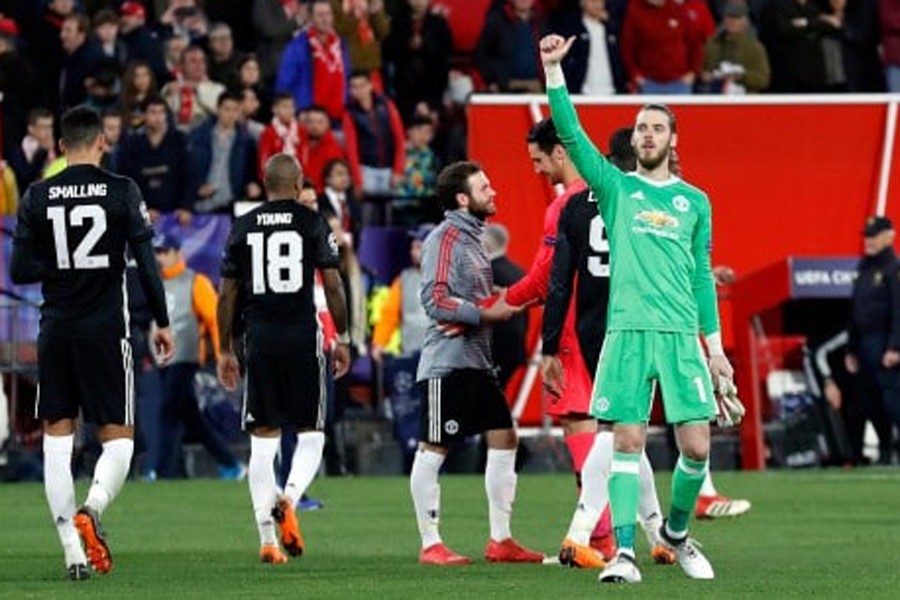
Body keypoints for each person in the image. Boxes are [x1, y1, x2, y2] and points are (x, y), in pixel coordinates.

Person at [540, 34, 735, 583]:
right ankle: (624, 552)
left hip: (679, 337)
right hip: (626, 333)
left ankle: (674, 533)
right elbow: (572, 136)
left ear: (673, 140)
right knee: (626, 440)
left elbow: (700, 275)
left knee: (696, 446)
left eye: (657, 128)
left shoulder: (694, 201)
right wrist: (554, 71)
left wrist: (714, 350)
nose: (647, 134)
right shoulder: (616, 189)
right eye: (641, 128)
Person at [10, 106, 175, 580]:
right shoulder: (123, 190)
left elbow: (20, 270)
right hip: (107, 331)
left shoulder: (38, 195)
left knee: (57, 443)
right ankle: (93, 508)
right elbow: (147, 264)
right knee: (119, 438)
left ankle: (71, 554)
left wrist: (59, 265)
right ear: (102, 142)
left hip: (56, 331)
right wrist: (161, 321)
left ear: (60, 147)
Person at [216, 154, 350, 564]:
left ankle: (268, 542)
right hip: (300, 335)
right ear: (299, 185)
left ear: (264, 182)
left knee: (262, 441)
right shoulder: (311, 222)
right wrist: (342, 337)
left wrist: (225, 349)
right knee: (311, 432)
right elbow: (332, 283)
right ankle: (290, 498)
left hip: (259, 338)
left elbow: (227, 295)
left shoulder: (243, 226)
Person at [409, 160, 542, 566]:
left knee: (504, 436)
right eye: (485, 187)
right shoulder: (445, 238)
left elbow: (472, 299)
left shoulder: (472, 240)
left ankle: (500, 540)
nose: (494, 192)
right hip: (447, 364)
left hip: (477, 362)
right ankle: (431, 544)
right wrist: (484, 312)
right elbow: (435, 300)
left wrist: (504, 299)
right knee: (435, 446)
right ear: (463, 198)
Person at [152, 232, 245, 480]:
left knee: (167, 412)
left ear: (177, 253)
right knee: (187, 416)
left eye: (164, 252)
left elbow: (216, 321)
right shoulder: (153, 282)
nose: (159, 257)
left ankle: (161, 471)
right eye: (156, 253)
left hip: (186, 357)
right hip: (162, 360)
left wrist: (222, 353)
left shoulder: (195, 281)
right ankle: (228, 463)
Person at [845, 216, 900, 460]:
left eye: (874, 235)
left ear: (890, 236)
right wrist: (851, 349)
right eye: (867, 235)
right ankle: (885, 448)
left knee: (892, 400)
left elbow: (899, 310)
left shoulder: (894, 268)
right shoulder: (863, 268)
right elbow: (855, 310)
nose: (868, 241)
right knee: (870, 400)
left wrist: (895, 346)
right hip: (865, 344)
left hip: (885, 343)